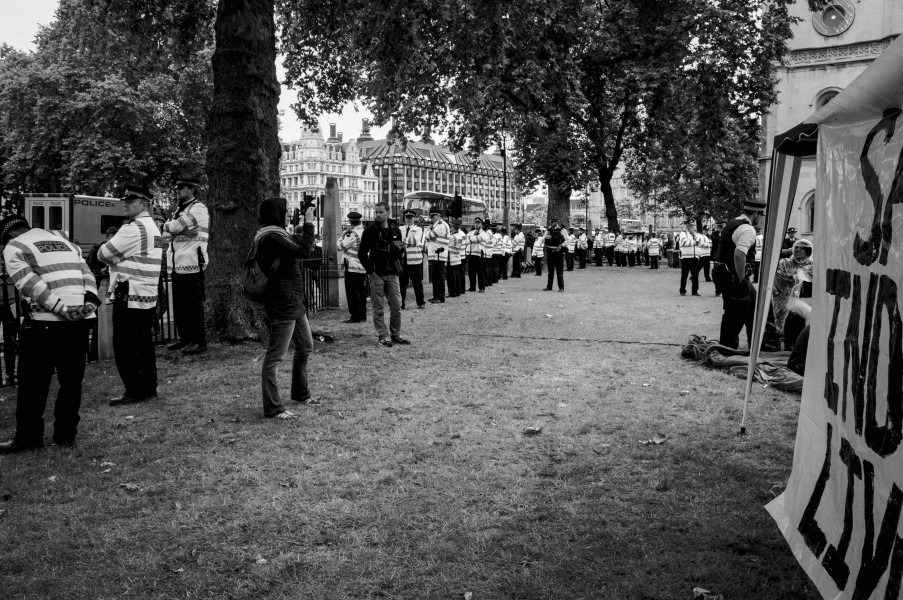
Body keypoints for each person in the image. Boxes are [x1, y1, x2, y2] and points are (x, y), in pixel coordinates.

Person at [0, 215, 99, 453]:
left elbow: (30, 284)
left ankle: (28, 438)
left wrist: (61, 309)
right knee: (71, 382)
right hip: (79, 322)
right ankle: (66, 436)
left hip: (44, 324)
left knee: (33, 383)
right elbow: (87, 274)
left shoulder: (15, 246)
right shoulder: (63, 240)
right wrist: (90, 303)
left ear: (9, 235)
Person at [252, 197, 319, 420]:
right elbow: (303, 251)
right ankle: (273, 407)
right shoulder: (270, 237)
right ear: (276, 213)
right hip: (282, 301)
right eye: (286, 211)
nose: (289, 214)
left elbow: (297, 246)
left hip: (293, 301)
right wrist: (309, 223)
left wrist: (303, 223)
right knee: (275, 356)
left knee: (306, 346)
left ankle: (301, 394)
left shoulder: (279, 234)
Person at [98, 185, 163, 406]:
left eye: (131, 201)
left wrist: (116, 257)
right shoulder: (153, 228)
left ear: (144, 204)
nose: (125, 204)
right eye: (125, 200)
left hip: (129, 292)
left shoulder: (132, 229)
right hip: (146, 292)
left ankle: (135, 390)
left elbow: (103, 254)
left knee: (125, 345)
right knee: (143, 344)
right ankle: (148, 388)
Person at [161, 176, 209, 355]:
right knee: (180, 306)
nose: (177, 190)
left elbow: (173, 229)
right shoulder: (178, 211)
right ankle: (185, 339)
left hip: (192, 263)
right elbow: (165, 234)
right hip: (176, 265)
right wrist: (172, 228)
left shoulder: (198, 208)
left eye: (181, 187)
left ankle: (199, 341)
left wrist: (172, 228)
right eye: (176, 187)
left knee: (193, 306)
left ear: (191, 189)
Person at [712, 197, 765, 349]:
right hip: (733, 276)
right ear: (756, 215)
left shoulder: (733, 223)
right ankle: (726, 348)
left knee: (753, 305)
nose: (761, 219)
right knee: (735, 311)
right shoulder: (748, 229)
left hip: (723, 272)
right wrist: (741, 279)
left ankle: (754, 344)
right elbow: (739, 255)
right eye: (761, 216)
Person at [358, 201, 408, 347]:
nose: (378, 215)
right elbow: (362, 253)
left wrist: (399, 265)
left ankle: (395, 334)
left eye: (380, 212)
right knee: (378, 307)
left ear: (388, 212)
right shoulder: (370, 230)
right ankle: (383, 335)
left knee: (396, 306)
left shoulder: (395, 229)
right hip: (377, 273)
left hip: (392, 273)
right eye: (376, 212)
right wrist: (370, 271)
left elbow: (399, 251)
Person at [772, 239, 813, 350]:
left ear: (808, 251)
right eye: (797, 247)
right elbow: (779, 283)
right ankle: (807, 345)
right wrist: (793, 278)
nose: (798, 250)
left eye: (802, 248)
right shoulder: (785, 263)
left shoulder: (811, 264)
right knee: (810, 313)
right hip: (786, 298)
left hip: (803, 298)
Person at [339, 211, 367, 323]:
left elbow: (340, 246)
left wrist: (342, 236)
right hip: (362, 265)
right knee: (362, 291)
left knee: (352, 292)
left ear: (350, 222)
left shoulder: (351, 234)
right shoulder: (364, 232)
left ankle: (355, 316)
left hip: (351, 265)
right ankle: (363, 314)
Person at [399, 210, 426, 310]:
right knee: (402, 284)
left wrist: (404, 241)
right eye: (407, 218)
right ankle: (401, 304)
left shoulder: (419, 229)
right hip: (403, 260)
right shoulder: (400, 229)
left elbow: (416, 240)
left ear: (414, 218)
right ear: (404, 218)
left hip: (415, 260)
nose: (409, 220)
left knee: (417, 283)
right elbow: (396, 241)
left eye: (411, 218)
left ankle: (421, 303)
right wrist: (408, 241)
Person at [426, 209, 450, 303]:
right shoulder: (437, 226)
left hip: (439, 255)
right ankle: (436, 296)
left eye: (433, 216)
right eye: (431, 217)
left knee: (439, 276)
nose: (431, 219)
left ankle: (440, 297)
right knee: (435, 276)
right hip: (435, 255)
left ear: (438, 216)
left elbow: (429, 236)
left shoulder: (441, 225)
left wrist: (428, 231)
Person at [677, 220, 707, 296]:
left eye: (693, 225)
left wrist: (694, 236)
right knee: (684, 275)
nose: (692, 227)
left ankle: (695, 291)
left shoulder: (697, 234)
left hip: (695, 257)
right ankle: (682, 290)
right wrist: (694, 242)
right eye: (691, 225)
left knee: (695, 275)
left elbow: (701, 242)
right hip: (686, 257)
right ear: (687, 226)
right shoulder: (683, 234)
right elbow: (684, 242)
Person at [544, 218, 566, 292]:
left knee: (559, 271)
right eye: (551, 222)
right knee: (550, 271)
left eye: (553, 222)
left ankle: (561, 287)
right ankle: (549, 286)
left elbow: (567, 240)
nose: (551, 223)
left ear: (557, 222)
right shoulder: (548, 230)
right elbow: (544, 238)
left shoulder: (562, 230)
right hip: (550, 251)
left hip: (558, 251)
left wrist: (560, 246)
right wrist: (546, 237)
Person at [466, 217, 486, 292]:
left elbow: (477, 239)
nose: (476, 224)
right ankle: (472, 287)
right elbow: (465, 239)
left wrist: (471, 239)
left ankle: (482, 288)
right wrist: (471, 239)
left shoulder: (484, 233)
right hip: (472, 254)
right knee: (471, 272)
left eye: (478, 223)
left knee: (480, 272)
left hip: (479, 255)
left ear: (481, 224)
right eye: (476, 223)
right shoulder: (471, 232)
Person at [448, 218, 465, 297]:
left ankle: (452, 292)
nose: (450, 228)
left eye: (451, 226)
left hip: (451, 257)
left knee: (451, 276)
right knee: (457, 276)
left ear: (453, 227)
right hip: (458, 257)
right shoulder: (460, 235)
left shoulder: (451, 236)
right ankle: (457, 291)